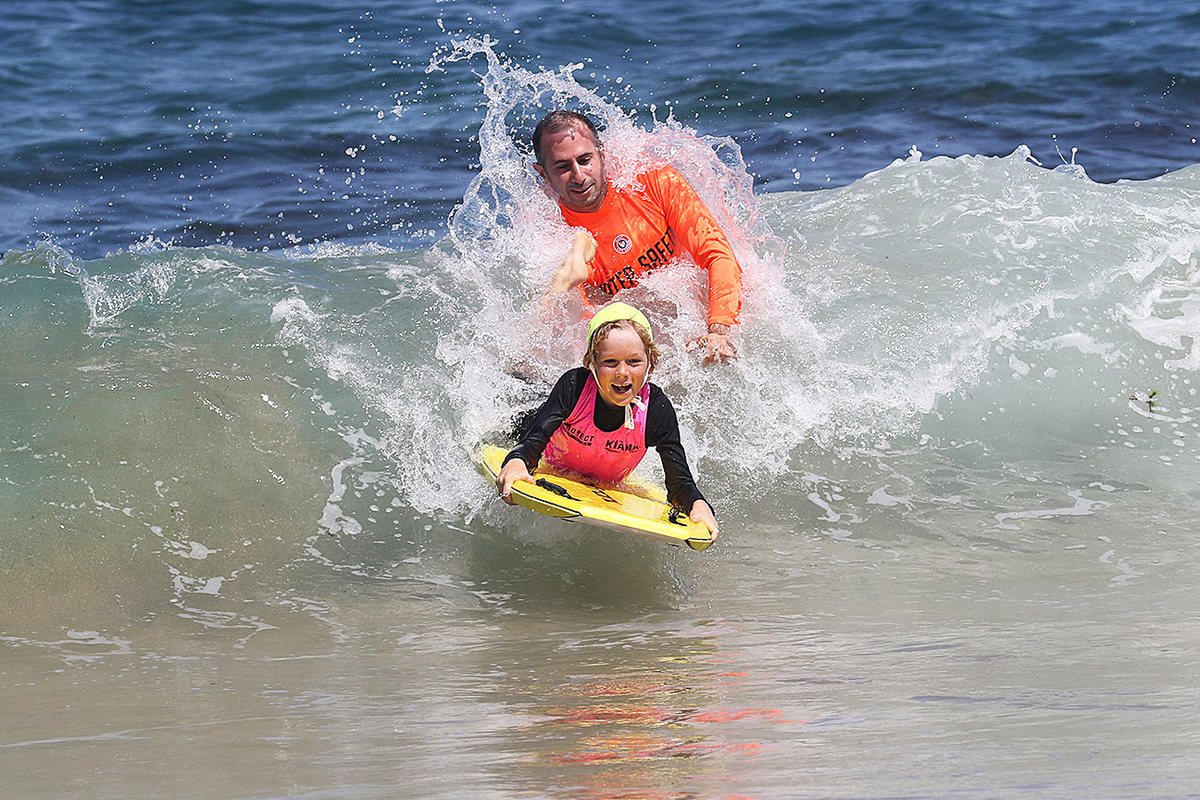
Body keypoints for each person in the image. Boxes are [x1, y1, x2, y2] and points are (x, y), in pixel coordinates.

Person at [532, 110, 742, 364]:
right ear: (543, 174)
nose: (579, 176)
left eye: (585, 160)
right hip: (632, 345)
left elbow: (717, 254)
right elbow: (582, 326)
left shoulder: (651, 181)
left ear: (602, 155)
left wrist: (718, 329)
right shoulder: (554, 235)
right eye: (563, 167)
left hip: (706, 315)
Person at [495, 302, 720, 537]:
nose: (622, 372)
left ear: (650, 364)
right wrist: (517, 460)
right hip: (533, 429)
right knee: (519, 410)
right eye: (610, 362)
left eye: (633, 362)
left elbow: (679, 484)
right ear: (591, 363)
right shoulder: (574, 387)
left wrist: (697, 504)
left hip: (595, 477)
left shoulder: (656, 409)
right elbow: (532, 442)